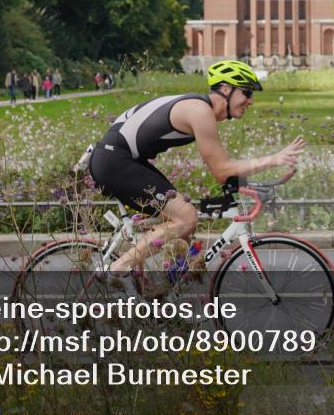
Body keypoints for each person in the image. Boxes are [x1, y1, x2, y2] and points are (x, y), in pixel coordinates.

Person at [89, 60, 305, 274]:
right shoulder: (200, 111)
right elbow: (222, 169)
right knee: (186, 218)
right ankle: (117, 269)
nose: (251, 101)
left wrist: (243, 183)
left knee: (184, 226)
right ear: (226, 89)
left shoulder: (199, 107)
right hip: (115, 161)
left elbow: (223, 174)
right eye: (247, 93)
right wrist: (274, 159)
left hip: (121, 159)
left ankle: (167, 290)